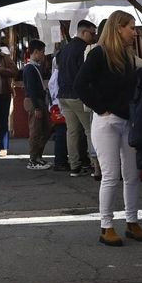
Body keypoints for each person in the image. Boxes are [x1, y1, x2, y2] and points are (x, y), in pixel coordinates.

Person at [76, 10, 142, 247]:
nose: (134, 31)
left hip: (127, 120)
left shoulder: (127, 55)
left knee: (131, 175)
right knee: (110, 176)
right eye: (131, 26)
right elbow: (80, 84)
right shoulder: (99, 53)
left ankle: (132, 221)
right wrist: (101, 108)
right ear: (118, 27)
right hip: (107, 121)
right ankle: (106, 225)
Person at [55, 20, 97, 176]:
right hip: (77, 95)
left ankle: (74, 166)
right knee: (89, 130)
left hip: (63, 95)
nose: (94, 37)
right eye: (92, 33)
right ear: (84, 32)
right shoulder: (84, 49)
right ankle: (95, 165)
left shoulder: (64, 49)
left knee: (71, 132)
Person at [21, 40, 52, 169]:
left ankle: (38, 157)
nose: (44, 55)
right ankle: (33, 159)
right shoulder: (29, 68)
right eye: (43, 52)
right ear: (36, 52)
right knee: (36, 130)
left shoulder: (36, 67)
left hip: (40, 100)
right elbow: (31, 89)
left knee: (45, 129)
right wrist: (37, 107)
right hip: (35, 101)